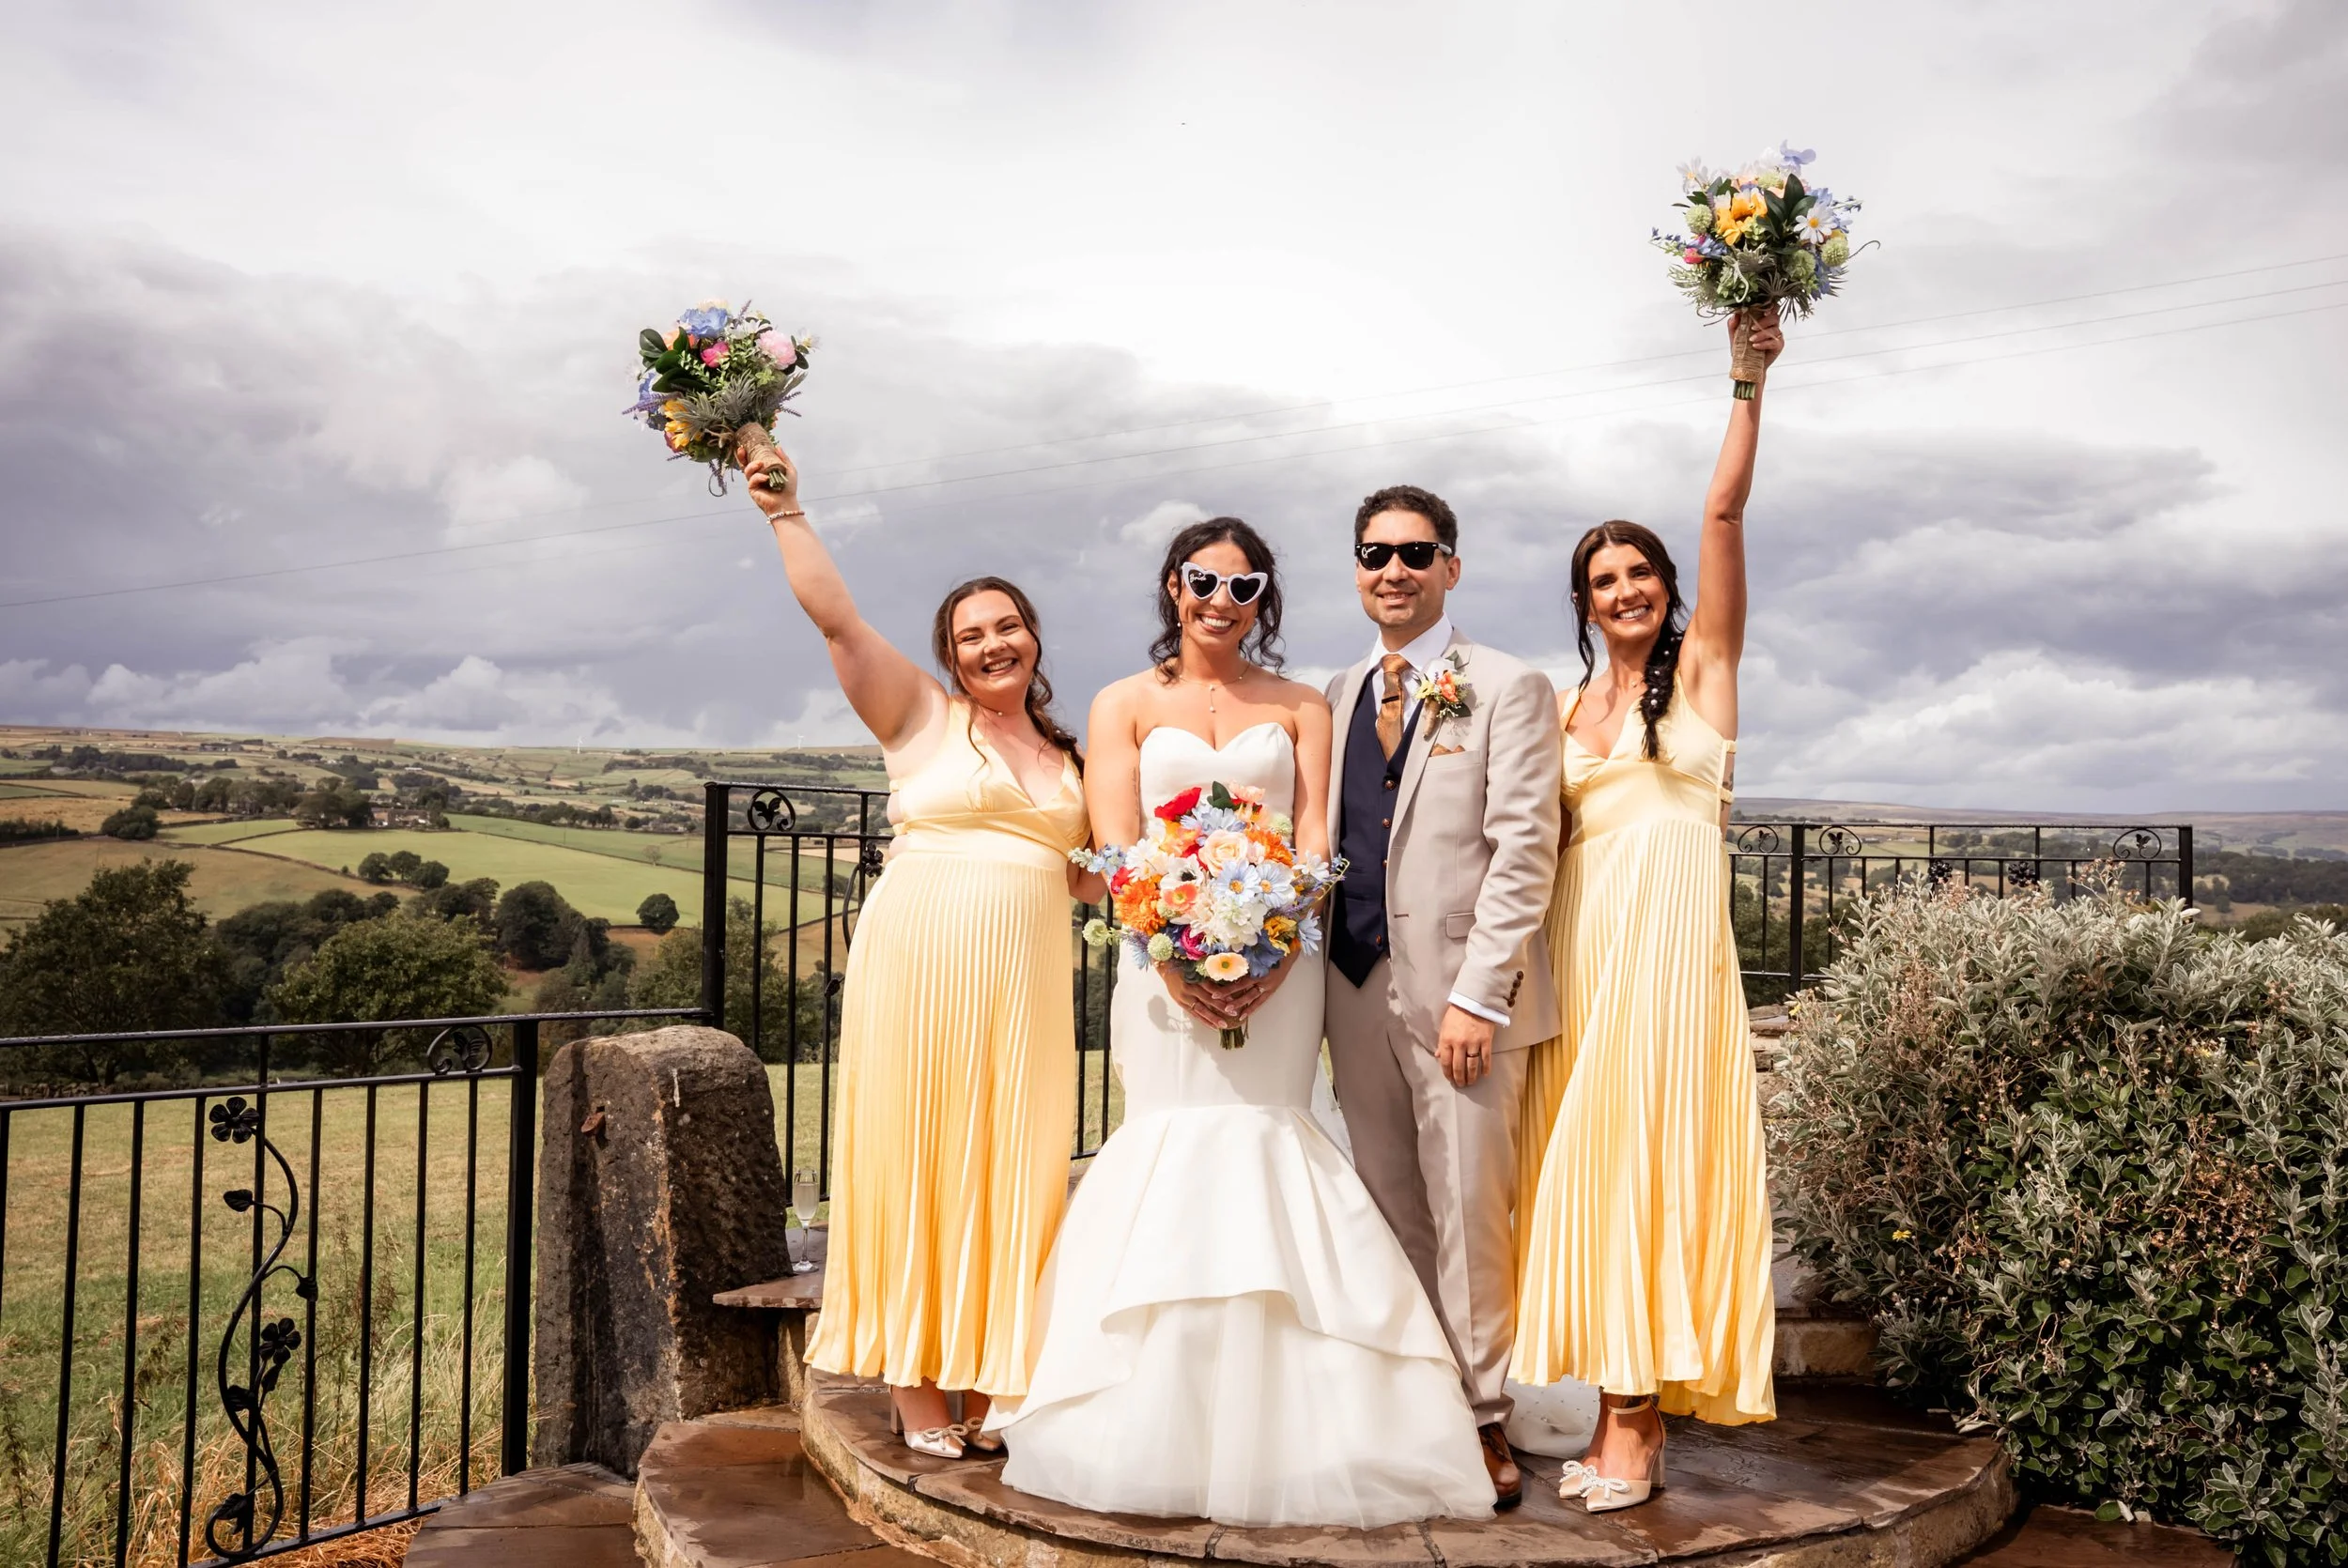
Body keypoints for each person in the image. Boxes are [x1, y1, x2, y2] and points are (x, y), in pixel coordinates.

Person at [988, 517, 1493, 1528]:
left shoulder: (1302, 703)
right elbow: (1121, 850)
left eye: (1243, 582)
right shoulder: (1122, 703)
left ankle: (1327, 1415)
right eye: (1201, 579)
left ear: (1263, 597)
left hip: (1282, 968)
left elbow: (1314, 845)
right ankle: (1142, 1413)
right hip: (1155, 965)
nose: (1220, 598)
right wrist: (1177, 960)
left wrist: (1267, 950)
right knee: (1171, 1143)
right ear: (1172, 588)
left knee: (1273, 1135)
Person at [740, 440, 1101, 1459]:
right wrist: (785, 512)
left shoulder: (1070, 759)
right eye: (972, 634)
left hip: (1027, 986)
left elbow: (1092, 875)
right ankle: (917, 1387)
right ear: (951, 654)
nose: (993, 645)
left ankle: (992, 1371)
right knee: (915, 1154)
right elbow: (835, 617)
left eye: (1008, 626)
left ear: (1034, 636)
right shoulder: (920, 717)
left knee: (1015, 1167)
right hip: (920, 970)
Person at [1511, 309, 1785, 1513]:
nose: (1623, 588)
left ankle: (1634, 1427)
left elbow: (1724, 514)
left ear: (1670, 587)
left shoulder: (1707, 673)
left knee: (1643, 1164)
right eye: (1601, 579)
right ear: (1583, 602)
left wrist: (1747, 376)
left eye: (1638, 572)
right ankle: (1623, 1405)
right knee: (1587, 1167)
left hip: (1670, 960)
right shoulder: (1564, 711)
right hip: (1585, 953)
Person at [1321, 485, 1564, 1512]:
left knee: (1471, 1211)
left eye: (1416, 554)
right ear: (1357, 568)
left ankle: (1482, 1417)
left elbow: (1524, 848)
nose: (1394, 570)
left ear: (1450, 568)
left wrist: (1482, 995)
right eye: (1376, 553)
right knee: (1389, 1206)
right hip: (1348, 986)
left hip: (1461, 998)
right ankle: (1420, 1402)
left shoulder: (1507, 685)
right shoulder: (1329, 694)